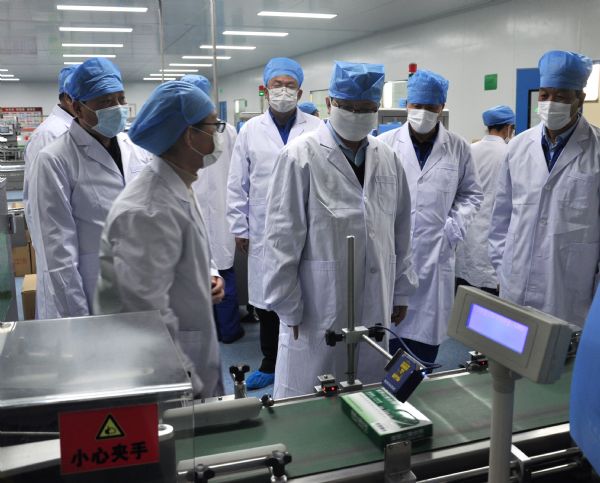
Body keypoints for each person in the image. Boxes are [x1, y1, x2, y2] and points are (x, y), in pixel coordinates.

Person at [262, 61, 417, 398]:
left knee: (370, 396)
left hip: (376, 295)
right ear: (330, 103)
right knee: (313, 396)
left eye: (366, 108)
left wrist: (402, 290)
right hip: (317, 304)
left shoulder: (388, 158)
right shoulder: (299, 156)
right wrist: (287, 306)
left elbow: (401, 230)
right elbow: (281, 238)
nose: (357, 115)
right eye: (349, 107)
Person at [94, 81, 224, 397]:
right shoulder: (147, 210)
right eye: (213, 126)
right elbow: (144, 316)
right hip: (167, 377)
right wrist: (186, 385)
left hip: (190, 350)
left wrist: (204, 277)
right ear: (190, 135)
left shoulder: (177, 185)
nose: (218, 134)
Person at [27, 58, 151, 319]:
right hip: (93, 290)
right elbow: (58, 253)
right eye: (105, 102)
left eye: (120, 99)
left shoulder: (136, 149)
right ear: (77, 107)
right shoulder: (55, 159)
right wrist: (79, 318)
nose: (117, 108)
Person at [227, 57, 321, 389]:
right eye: (277, 85)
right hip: (263, 225)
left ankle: (307, 354)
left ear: (300, 91)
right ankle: (270, 360)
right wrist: (239, 226)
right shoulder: (250, 130)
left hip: (309, 224)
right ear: (265, 90)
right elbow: (237, 182)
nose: (283, 91)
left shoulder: (317, 127)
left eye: (289, 85)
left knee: (307, 288)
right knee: (268, 295)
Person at [378, 69, 482, 363]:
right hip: (392, 254)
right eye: (417, 105)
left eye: (430, 106)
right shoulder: (384, 144)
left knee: (424, 345)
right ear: (407, 105)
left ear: (442, 107)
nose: (422, 112)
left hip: (437, 254)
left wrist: (454, 226)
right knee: (385, 342)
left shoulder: (458, 147)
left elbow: (472, 194)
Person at [489, 50, 599, 328]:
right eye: (545, 95)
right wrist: (503, 269)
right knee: (512, 352)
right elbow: (501, 217)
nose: (550, 103)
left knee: (560, 353)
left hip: (568, 291)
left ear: (580, 98)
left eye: (561, 97)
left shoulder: (596, 151)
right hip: (516, 282)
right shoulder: (518, 146)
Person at [181, 74, 244, 343]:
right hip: (208, 211)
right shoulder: (225, 130)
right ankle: (226, 331)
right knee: (218, 273)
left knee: (218, 272)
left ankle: (220, 331)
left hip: (218, 212)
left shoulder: (223, 130)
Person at [23, 65, 76, 319]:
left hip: (77, 249)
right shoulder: (48, 134)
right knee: (60, 316)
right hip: (58, 251)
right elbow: (43, 207)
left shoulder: (74, 130)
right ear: (68, 98)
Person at [455, 105, 515, 296]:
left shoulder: (469, 150)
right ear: (508, 128)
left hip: (466, 238)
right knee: (489, 304)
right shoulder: (509, 153)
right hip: (494, 241)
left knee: (463, 301)